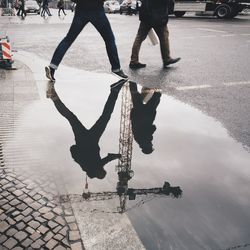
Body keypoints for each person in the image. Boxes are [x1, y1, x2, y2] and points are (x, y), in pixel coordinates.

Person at [47, 79, 127, 179]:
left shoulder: (95, 166)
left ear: (99, 171)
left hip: (92, 139)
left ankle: (114, 91)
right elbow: (73, 150)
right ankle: (53, 97)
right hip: (82, 139)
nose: (102, 168)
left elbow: (108, 158)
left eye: (102, 169)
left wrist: (117, 156)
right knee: (71, 117)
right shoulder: (88, 167)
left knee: (105, 116)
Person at [45, 0, 128, 82]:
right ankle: (116, 68)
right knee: (109, 39)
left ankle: (52, 67)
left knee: (68, 39)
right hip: (97, 10)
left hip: (81, 10)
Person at [129, 0, 181, 69]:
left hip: (146, 14)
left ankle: (133, 61)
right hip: (158, 15)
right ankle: (166, 59)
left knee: (139, 37)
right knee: (164, 37)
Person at [129, 81, 161, 154]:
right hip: (137, 115)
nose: (152, 145)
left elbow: (149, 130)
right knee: (135, 95)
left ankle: (159, 80)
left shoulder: (145, 142)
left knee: (156, 97)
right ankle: (131, 80)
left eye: (151, 146)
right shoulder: (138, 140)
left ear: (148, 147)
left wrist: (153, 129)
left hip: (146, 115)